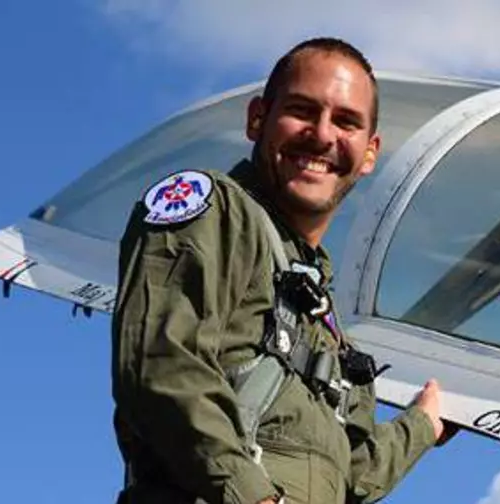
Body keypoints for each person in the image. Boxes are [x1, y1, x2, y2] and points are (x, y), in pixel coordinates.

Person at [111, 37, 454, 504]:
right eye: (302, 110)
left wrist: (421, 426)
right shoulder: (217, 211)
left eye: (346, 121)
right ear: (258, 119)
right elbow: (162, 368)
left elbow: (349, 476)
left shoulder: (322, 318)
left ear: (370, 152)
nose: (323, 134)